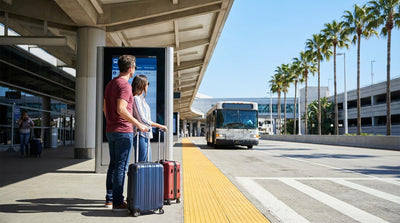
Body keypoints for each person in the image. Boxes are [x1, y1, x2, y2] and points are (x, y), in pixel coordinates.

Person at [103, 55, 149, 212]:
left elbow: (105, 109)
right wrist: (138, 124)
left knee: (113, 165)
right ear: (130, 69)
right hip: (123, 131)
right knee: (121, 167)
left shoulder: (110, 84)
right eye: (135, 67)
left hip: (111, 130)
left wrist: (111, 122)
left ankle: (109, 199)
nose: (135, 70)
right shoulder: (125, 86)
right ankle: (117, 202)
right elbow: (121, 109)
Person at [131, 75, 167, 162]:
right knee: (142, 162)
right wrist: (159, 126)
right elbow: (142, 119)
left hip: (146, 135)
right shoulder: (136, 99)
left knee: (147, 162)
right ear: (142, 85)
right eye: (147, 83)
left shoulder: (142, 99)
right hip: (140, 135)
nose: (148, 86)